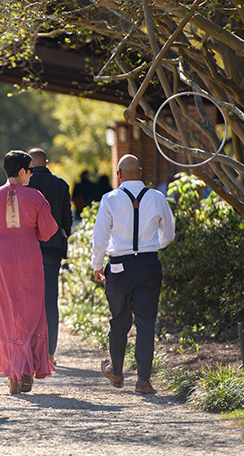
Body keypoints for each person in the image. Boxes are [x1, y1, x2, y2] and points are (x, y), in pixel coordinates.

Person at [0, 151, 58, 395]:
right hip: (28, 254)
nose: (31, 174)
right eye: (29, 170)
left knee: (5, 310)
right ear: (21, 171)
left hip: (0, 256)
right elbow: (47, 231)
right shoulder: (35, 196)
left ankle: (12, 373)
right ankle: (27, 368)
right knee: (32, 309)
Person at [92, 154, 175, 395]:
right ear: (140, 172)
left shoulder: (110, 199)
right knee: (146, 322)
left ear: (119, 175)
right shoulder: (157, 197)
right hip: (149, 265)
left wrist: (97, 264)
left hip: (119, 266)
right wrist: (151, 248)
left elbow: (100, 237)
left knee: (119, 320)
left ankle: (117, 373)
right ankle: (143, 380)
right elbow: (168, 233)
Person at [27, 148, 73, 366]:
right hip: (52, 248)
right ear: (46, 162)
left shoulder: (24, 184)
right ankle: (50, 352)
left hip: (27, 249)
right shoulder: (61, 185)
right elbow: (67, 218)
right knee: (49, 301)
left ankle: (29, 351)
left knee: (28, 300)